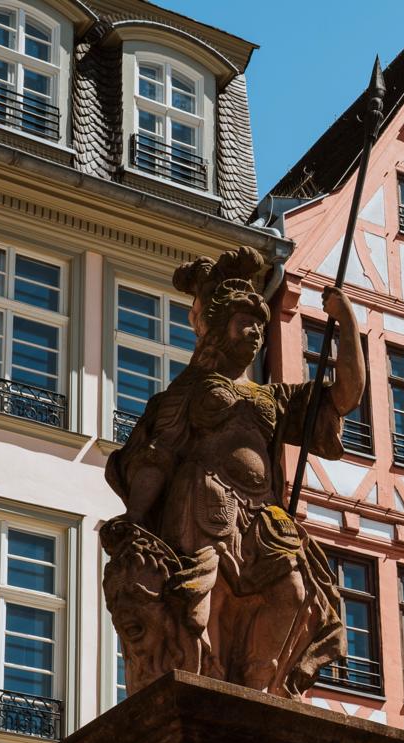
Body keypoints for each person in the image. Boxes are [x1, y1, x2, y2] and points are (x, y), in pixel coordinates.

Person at [102, 245, 364, 697]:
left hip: (263, 516)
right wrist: (137, 518)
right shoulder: (191, 389)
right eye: (246, 322)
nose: (257, 332)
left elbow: (346, 395)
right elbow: (157, 455)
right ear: (219, 328)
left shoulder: (273, 398)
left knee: (293, 591)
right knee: (201, 603)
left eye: (261, 324)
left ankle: (260, 689)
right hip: (204, 502)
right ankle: (205, 684)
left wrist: (347, 323)